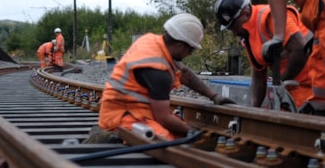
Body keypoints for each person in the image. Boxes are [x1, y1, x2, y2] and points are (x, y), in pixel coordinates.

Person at [98, 13, 235, 140]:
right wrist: (191, 131)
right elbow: (162, 118)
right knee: (164, 139)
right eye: (191, 49)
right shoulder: (157, 71)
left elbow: (185, 74)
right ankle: (108, 137)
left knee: (178, 134)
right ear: (179, 45)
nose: (190, 53)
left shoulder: (152, 41)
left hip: (138, 109)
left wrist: (214, 96)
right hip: (121, 116)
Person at [215, 0, 313, 110]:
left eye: (235, 27)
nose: (235, 33)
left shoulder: (271, 17)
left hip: (313, 83)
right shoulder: (248, 36)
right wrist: (253, 111)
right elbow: (259, 76)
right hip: (289, 88)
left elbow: (300, 49)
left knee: (281, 124)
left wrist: (280, 84)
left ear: (246, 13)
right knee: (267, 120)